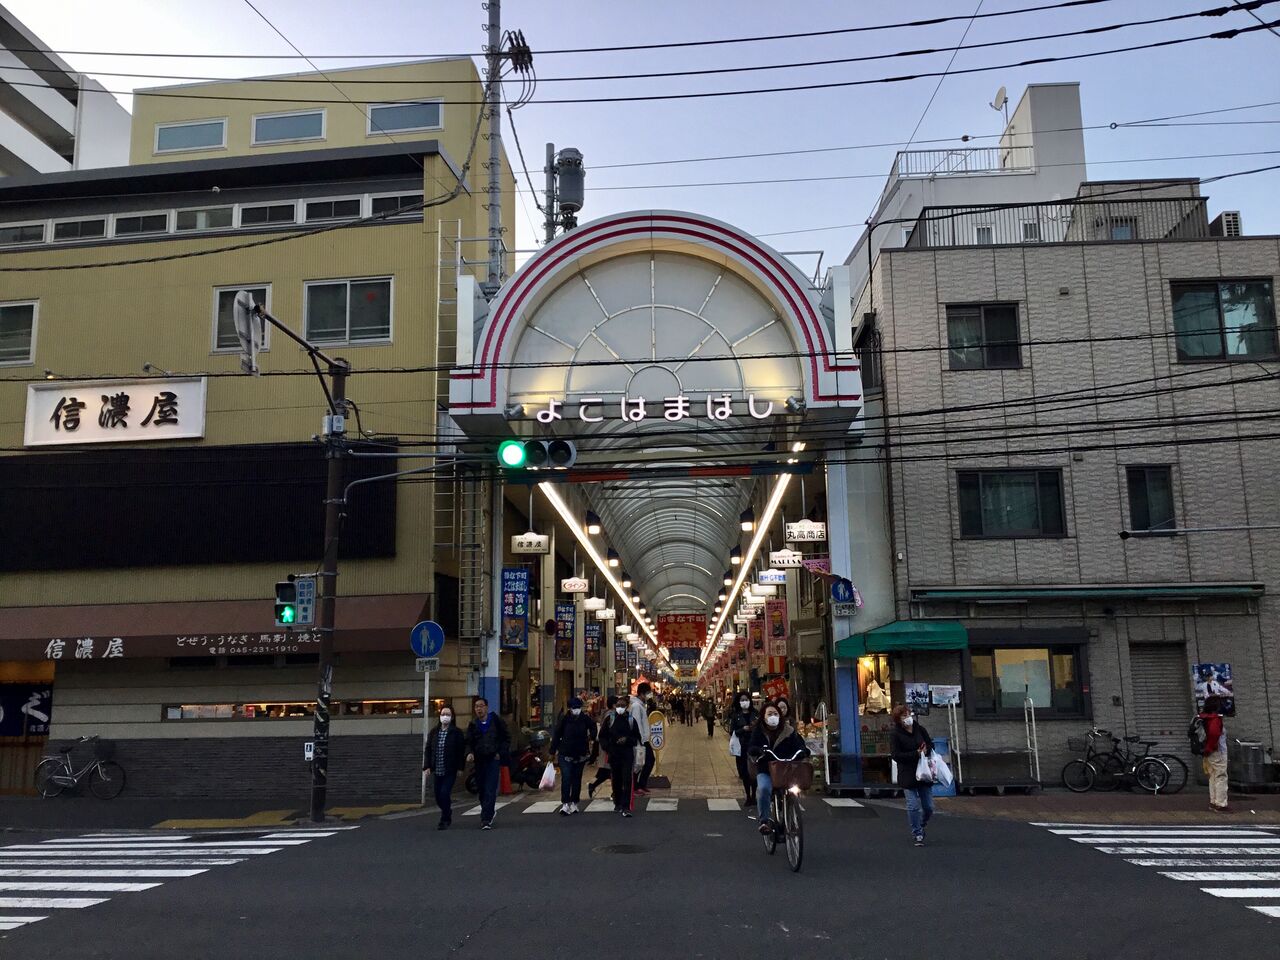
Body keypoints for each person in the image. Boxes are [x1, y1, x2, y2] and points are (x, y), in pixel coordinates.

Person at [747, 702, 810, 833]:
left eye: (775, 714)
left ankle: (788, 811)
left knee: (793, 788)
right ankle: (764, 821)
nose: (773, 717)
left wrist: (803, 751)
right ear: (763, 716)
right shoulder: (758, 731)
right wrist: (757, 751)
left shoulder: (789, 731)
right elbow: (751, 747)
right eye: (770, 714)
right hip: (766, 769)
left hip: (786, 768)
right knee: (764, 788)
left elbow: (800, 745)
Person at [890, 704, 935, 846]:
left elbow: (930, 744)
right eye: (904, 716)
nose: (908, 717)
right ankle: (917, 833)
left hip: (924, 772)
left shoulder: (920, 729)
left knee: (928, 807)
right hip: (907, 773)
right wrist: (914, 754)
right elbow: (896, 755)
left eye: (908, 714)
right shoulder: (895, 734)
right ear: (898, 720)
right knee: (913, 805)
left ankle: (921, 824)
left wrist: (926, 749)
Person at [464, 696, 510, 830]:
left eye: (481, 706)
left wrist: (500, 752)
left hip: (493, 760)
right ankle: (488, 811)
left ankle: (486, 819)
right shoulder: (473, 725)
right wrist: (469, 753)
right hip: (479, 760)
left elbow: (506, 738)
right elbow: (469, 742)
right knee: (482, 790)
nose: (479, 709)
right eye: (476, 706)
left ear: (486, 707)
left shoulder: (496, 721)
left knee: (490, 788)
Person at [422, 704, 467, 830]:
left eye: (447, 714)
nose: (445, 717)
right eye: (443, 714)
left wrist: (460, 767)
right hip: (437, 769)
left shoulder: (456, 733)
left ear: (452, 717)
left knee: (444, 793)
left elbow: (460, 751)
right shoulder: (434, 732)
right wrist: (427, 766)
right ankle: (447, 811)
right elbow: (428, 749)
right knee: (437, 796)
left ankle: (445, 818)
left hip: (450, 770)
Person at [551, 696, 597, 815]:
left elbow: (593, 727)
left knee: (577, 779)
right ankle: (565, 803)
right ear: (570, 708)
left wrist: (591, 736)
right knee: (566, 778)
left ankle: (574, 802)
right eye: (574, 708)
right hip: (565, 753)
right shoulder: (564, 719)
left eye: (578, 707)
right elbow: (557, 734)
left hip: (580, 754)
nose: (576, 709)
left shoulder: (585, 719)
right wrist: (552, 750)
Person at [600, 695, 641, 817]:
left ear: (627, 707)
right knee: (616, 780)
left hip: (627, 754)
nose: (620, 708)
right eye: (618, 706)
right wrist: (607, 747)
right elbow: (602, 736)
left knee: (627, 779)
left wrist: (626, 740)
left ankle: (626, 806)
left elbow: (636, 737)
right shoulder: (610, 719)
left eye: (622, 706)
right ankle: (617, 803)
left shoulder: (631, 720)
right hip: (614, 754)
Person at [729, 691, 759, 810]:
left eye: (746, 699)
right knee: (745, 773)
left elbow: (761, 728)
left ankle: (754, 795)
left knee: (754, 772)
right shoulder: (736, 715)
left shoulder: (755, 714)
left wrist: (753, 727)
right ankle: (748, 796)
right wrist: (743, 729)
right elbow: (732, 731)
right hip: (741, 747)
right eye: (742, 700)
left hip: (754, 747)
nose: (744, 702)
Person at [1200, 695, 1229, 812]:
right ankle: (1220, 804)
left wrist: (1206, 750)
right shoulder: (1214, 719)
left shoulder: (1204, 717)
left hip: (1209, 752)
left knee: (1212, 776)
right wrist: (1210, 748)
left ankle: (1213, 801)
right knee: (1221, 776)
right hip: (1217, 751)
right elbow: (1214, 734)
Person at [587, 696, 618, 800]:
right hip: (608, 748)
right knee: (612, 770)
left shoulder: (607, 713)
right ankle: (615, 793)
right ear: (614, 705)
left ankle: (593, 786)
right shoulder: (610, 715)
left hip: (606, 747)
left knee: (608, 772)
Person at [630, 683, 655, 795]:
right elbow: (636, 723)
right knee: (640, 763)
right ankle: (635, 787)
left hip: (644, 739)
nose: (649, 696)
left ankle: (641, 785)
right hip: (640, 740)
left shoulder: (640, 705)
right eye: (647, 693)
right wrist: (639, 739)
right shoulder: (636, 706)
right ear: (641, 694)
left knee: (646, 761)